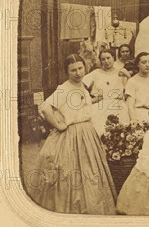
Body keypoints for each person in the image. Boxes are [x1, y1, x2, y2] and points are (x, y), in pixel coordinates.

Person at [30, 54, 116, 214]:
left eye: (80, 68)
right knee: (69, 173)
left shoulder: (82, 86)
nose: (77, 73)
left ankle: (90, 206)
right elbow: (45, 107)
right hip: (70, 136)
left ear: (85, 67)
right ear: (67, 72)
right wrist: (58, 125)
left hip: (87, 133)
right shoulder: (64, 88)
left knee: (89, 172)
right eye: (73, 70)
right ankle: (72, 208)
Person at [83, 49, 131, 136]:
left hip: (118, 106)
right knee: (99, 130)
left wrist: (128, 75)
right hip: (100, 106)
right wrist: (92, 99)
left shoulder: (121, 73)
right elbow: (80, 85)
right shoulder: (96, 73)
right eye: (103, 59)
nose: (106, 61)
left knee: (120, 132)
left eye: (108, 58)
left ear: (113, 58)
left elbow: (132, 88)